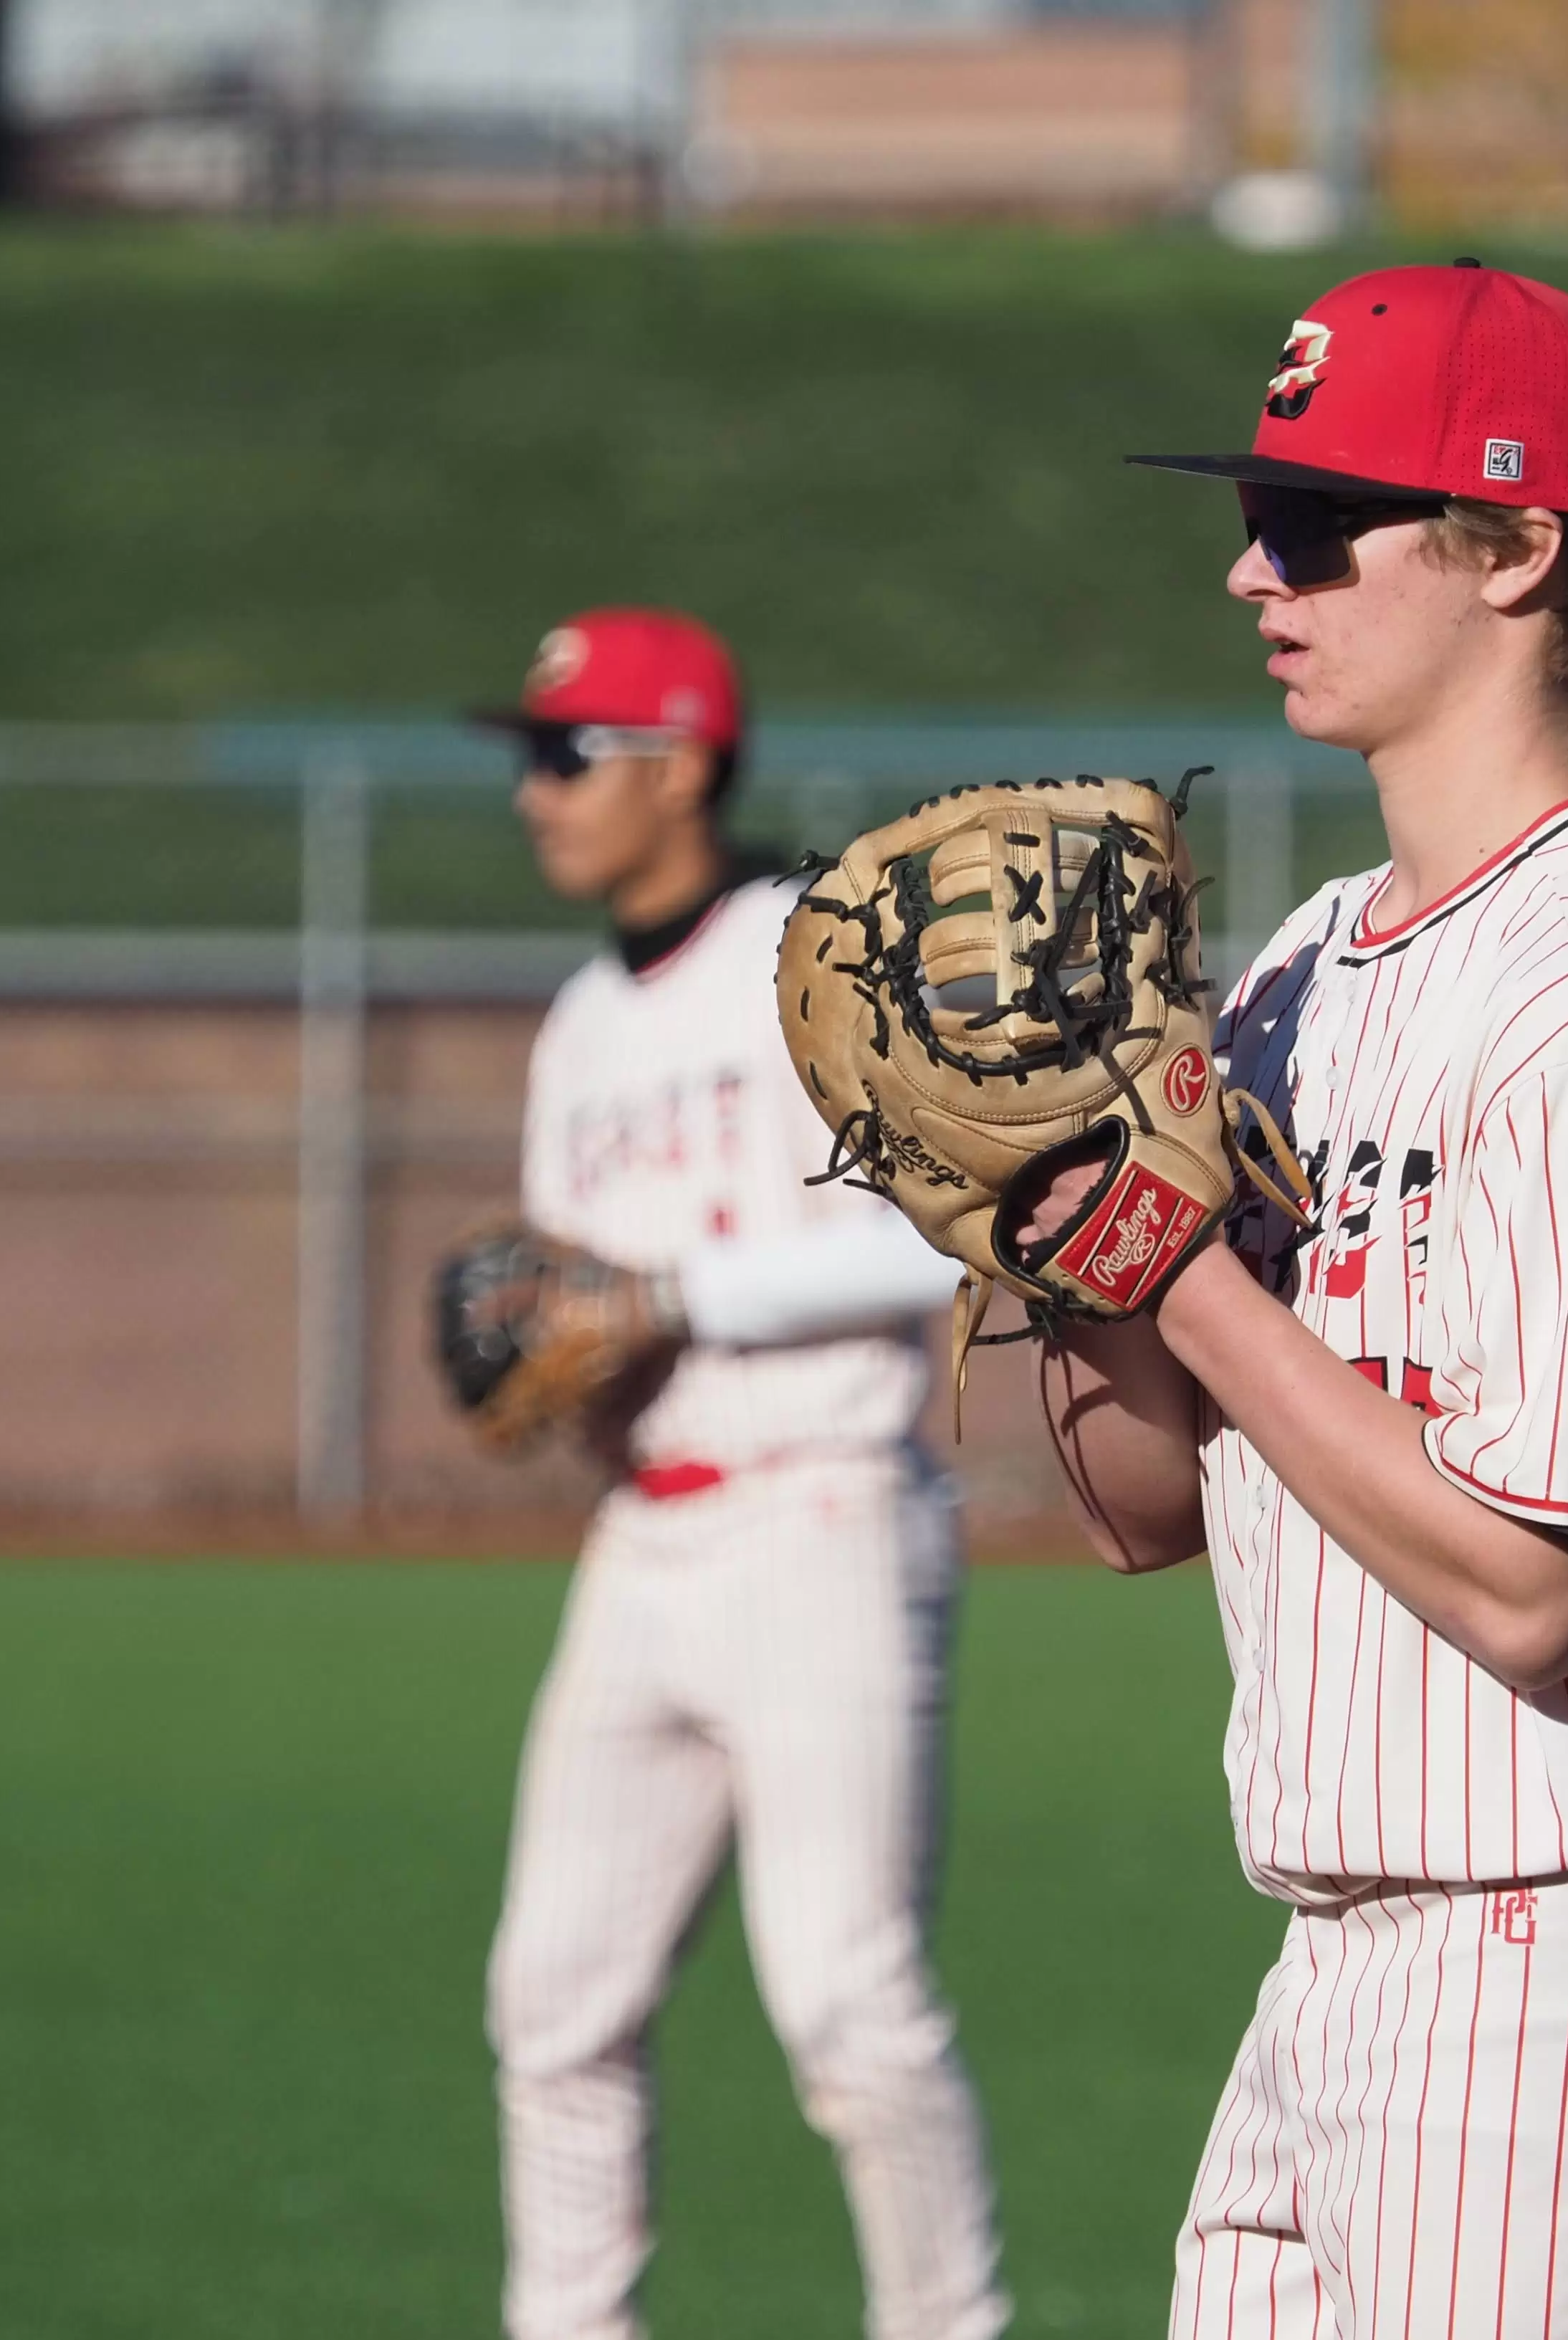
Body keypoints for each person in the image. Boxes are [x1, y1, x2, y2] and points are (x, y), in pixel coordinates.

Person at [1036, 264, 1568, 2336]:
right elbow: (1140, 1509)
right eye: (1262, 516)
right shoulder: (1301, 970)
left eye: (1320, 521)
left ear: (1515, 548)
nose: (1253, 570)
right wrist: (1061, 1251)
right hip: (1345, 1965)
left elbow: (1524, 1588)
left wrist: (1186, 1284)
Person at [470, 607, 1009, 2340]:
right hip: (644, 1541)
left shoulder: (814, 956)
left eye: (568, 755)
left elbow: (939, 1238)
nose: (537, 792)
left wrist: (674, 1298)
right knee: (551, 2002)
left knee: (849, 2007)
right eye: (529, 758)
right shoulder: (578, 1024)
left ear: (683, 763)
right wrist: (555, 1358)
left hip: (820, 1515)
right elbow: (579, 1287)